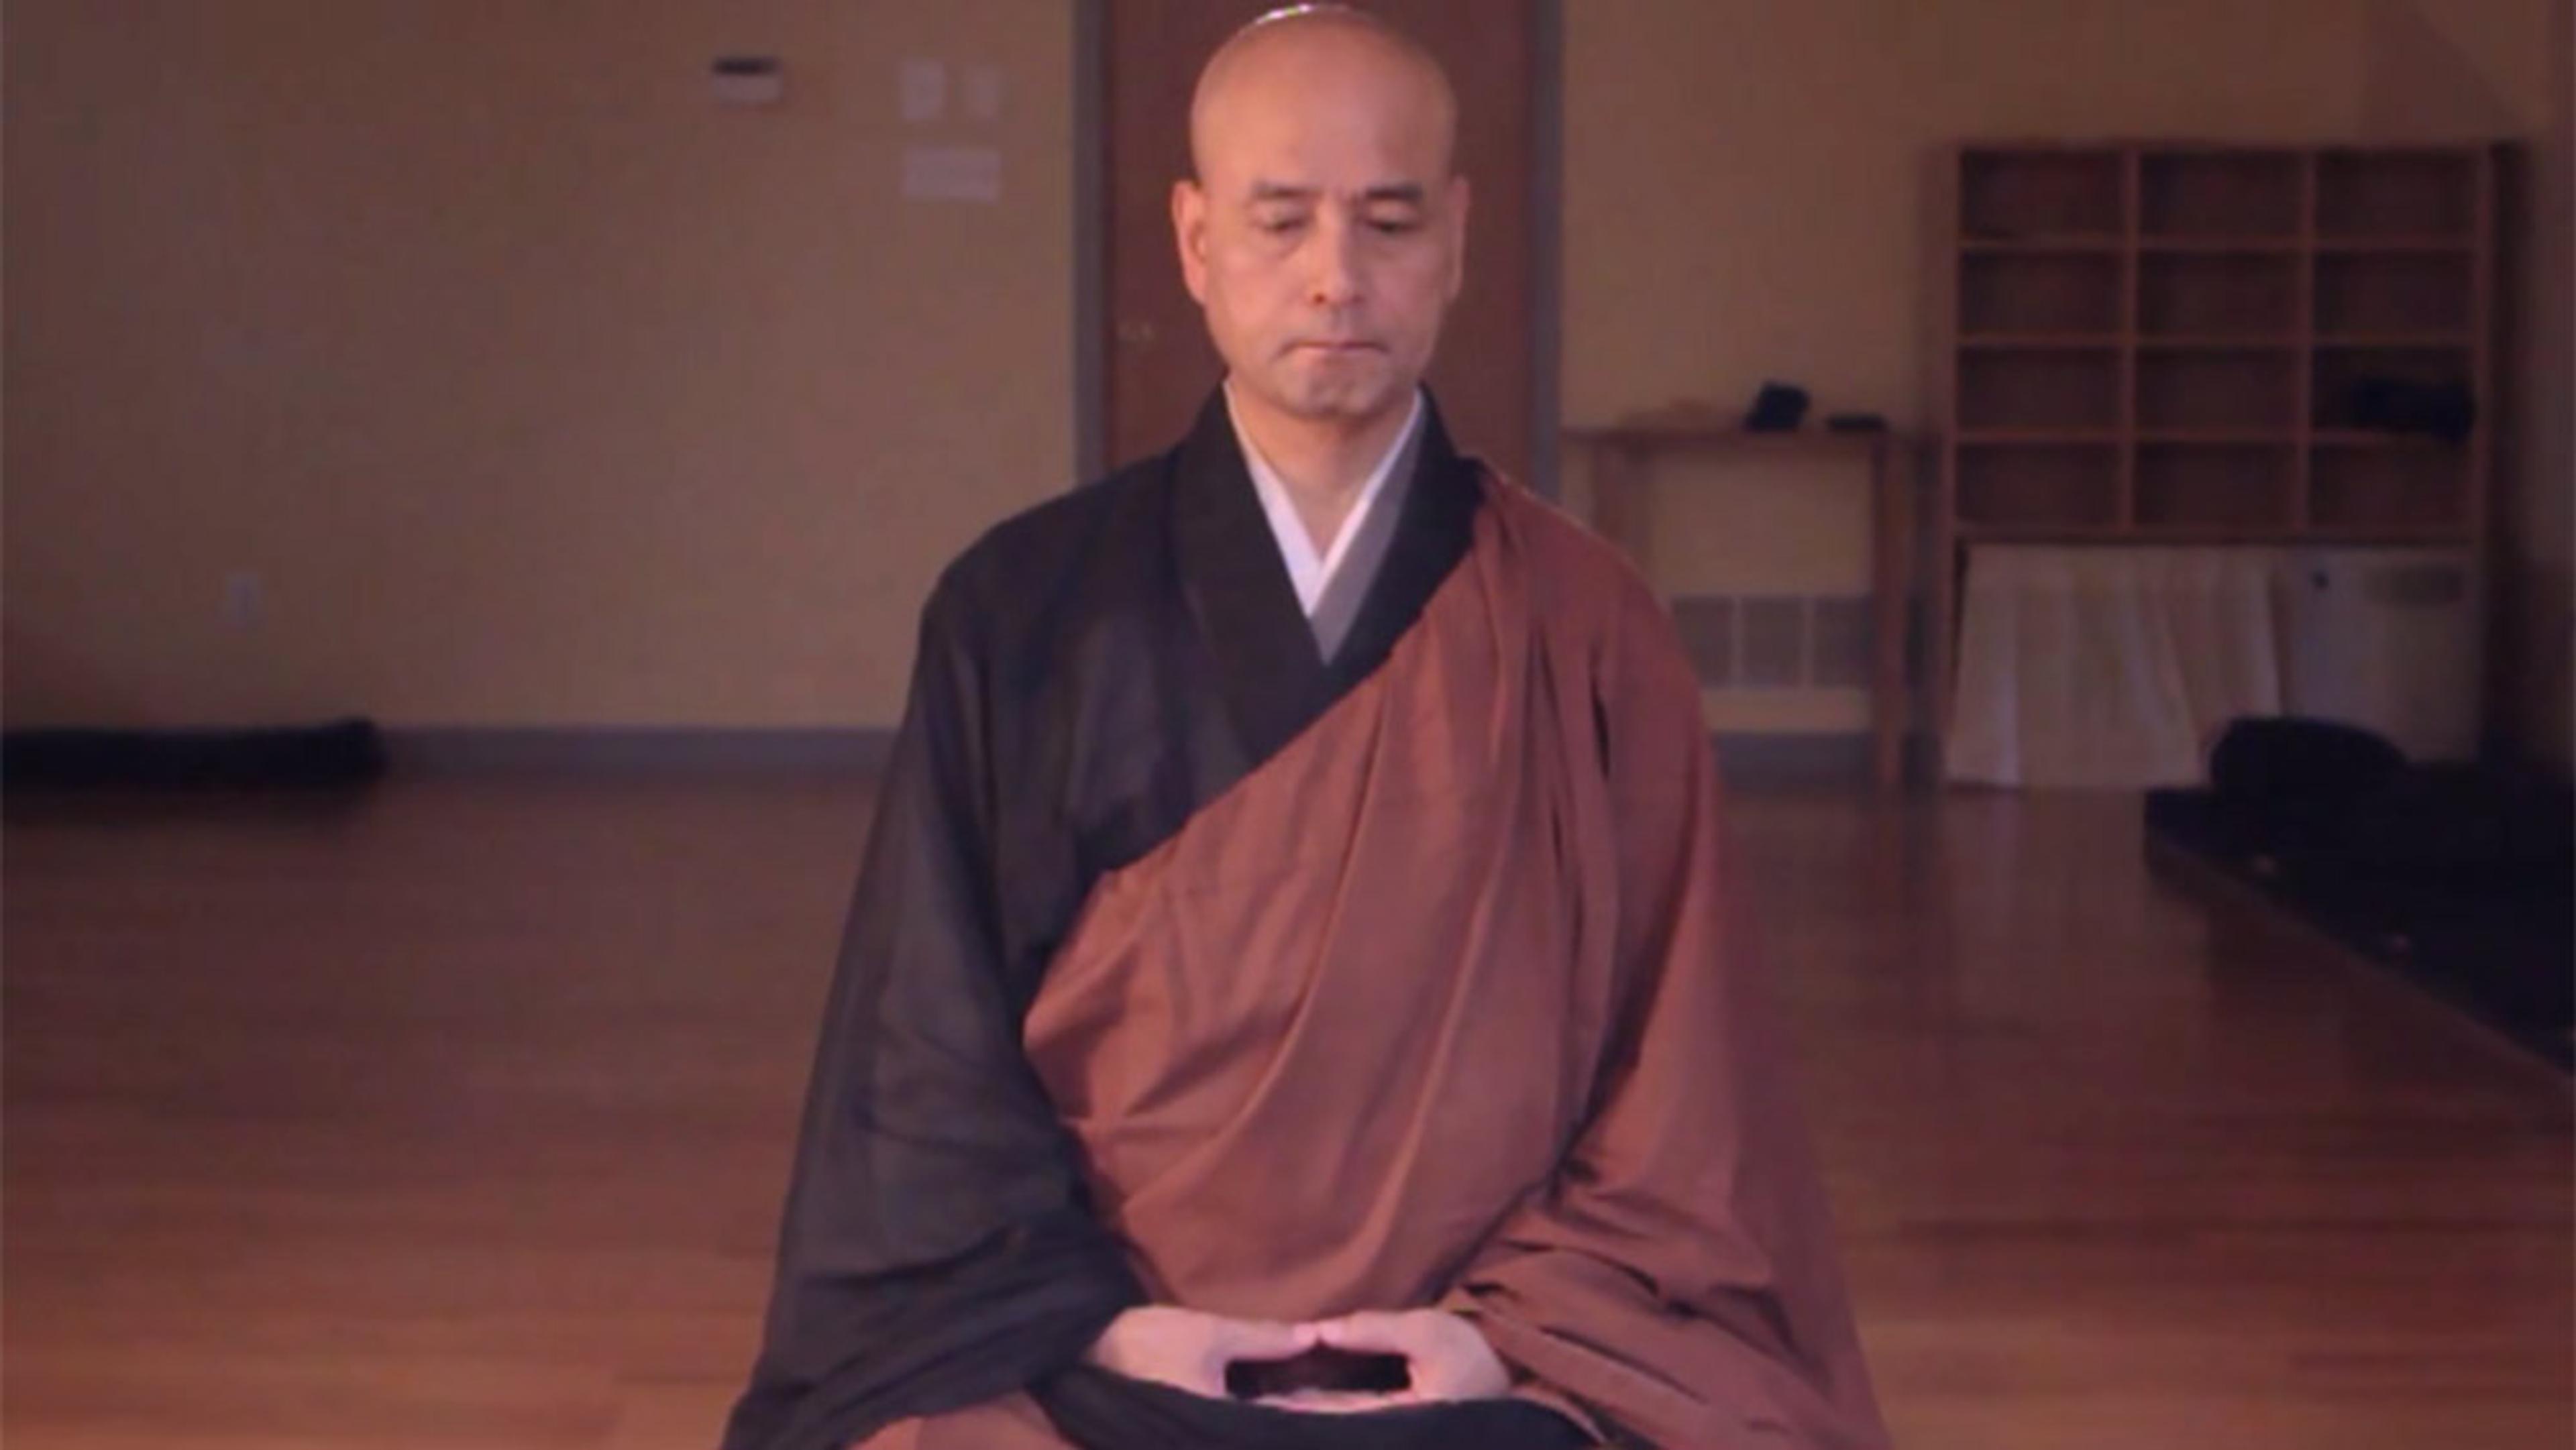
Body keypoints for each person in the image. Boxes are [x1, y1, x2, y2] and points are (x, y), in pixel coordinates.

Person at [718, 7, 1889, 1448]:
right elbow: (925, 1063)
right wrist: (1107, 1322)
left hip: (1490, 1361)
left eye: (1389, 223)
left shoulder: (1586, 623)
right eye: (1281, 223)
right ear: (1197, 245)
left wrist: (1494, 1336)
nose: (1337, 277)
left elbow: (1685, 1081)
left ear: (1456, 241)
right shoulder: (1022, 609)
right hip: (1103, 1357)